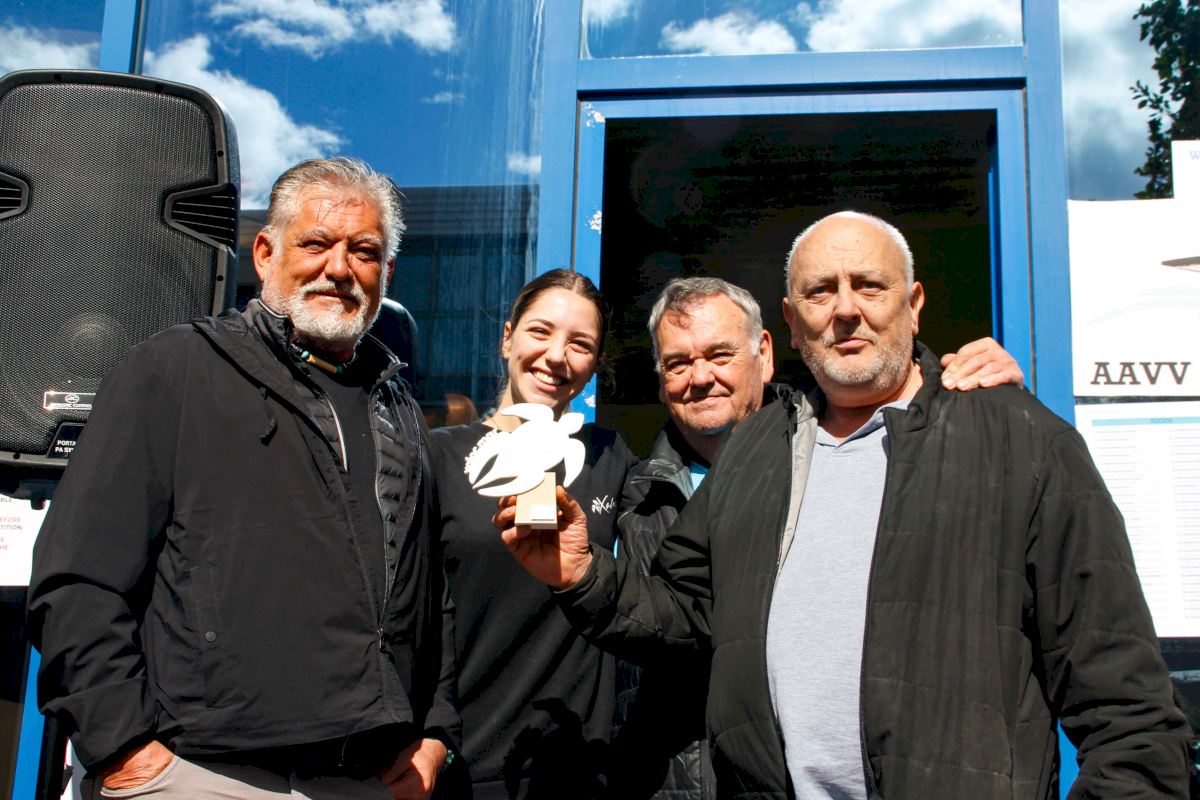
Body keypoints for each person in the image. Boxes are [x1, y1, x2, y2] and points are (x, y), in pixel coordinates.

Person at [499, 211, 1190, 798]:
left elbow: (1127, 712)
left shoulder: (1022, 440)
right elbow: (687, 613)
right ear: (794, 322)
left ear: (913, 303)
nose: (846, 309)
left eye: (869, 285)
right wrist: (582, 575)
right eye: (820, 291)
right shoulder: (758, 450)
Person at [28, 157, 459, 799]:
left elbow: (431, 594)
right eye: (316, 243)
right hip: (199, 774)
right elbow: (79, 577)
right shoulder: (175, 368)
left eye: (364, 252)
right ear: (264, 253)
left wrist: (435, 732)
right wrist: (122, 750)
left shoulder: (396, 408)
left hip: (365, 778)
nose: (339, 268)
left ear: (386, 272)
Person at [611, 275, 1024, 800]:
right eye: (677, 363)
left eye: (719, 355)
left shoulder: (847, 445)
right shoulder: (630, 497)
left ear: (764, 353)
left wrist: (975, 395)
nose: (701, 377)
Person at [428, 269, 637, 799]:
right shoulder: (438, 457)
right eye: (540, 331)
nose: (556, 356)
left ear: (594, 364)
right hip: (462, 765)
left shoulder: (611, 458)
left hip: (580, 769)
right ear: (507, 339)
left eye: (580, 344)